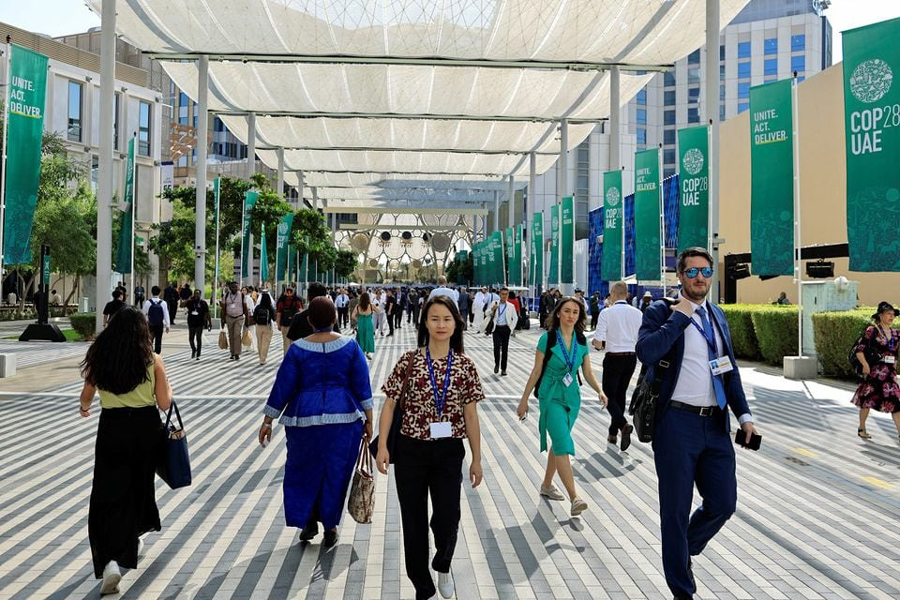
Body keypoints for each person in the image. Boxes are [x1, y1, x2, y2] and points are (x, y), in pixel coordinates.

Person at [636, 247, 759, 600]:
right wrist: (680, 317)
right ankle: (682, 590)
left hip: (715, 425)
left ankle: (680, 550)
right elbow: (646, 352)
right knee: (675, 508)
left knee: (723, 502)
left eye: (705, 271)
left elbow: (729, 371)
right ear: (680, 277)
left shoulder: (717, 316)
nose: (699, 278)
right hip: (675, 423)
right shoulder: (661, 311)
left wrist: (745, 416)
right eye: (691, 273)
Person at [376, 296, 484, 600]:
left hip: (449, 451)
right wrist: (383, 446)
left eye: (447, 319)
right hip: (411, 450)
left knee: (448, 516)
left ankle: (444, 562)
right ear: (425, 322)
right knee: (413, 520)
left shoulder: (464, 366)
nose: (440, 324)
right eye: (435, 318)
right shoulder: (409, 360)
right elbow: (389, 405)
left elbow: (471, 415)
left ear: (455, 324)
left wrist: (477, 458)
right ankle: (422, 585)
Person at [259, 297, 374, 548]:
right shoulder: (351, 347)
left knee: (302, 470)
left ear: (309, 320)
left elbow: (283, 386)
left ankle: (308, 519)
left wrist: (268, 421)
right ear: (335, 319)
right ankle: (330, 525)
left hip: (303, 420)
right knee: (335, 473)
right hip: (344, 419)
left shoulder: (298, 349)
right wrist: (369, 421)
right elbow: (362, 386)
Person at [78, 307, 173, 595]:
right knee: (137, 488)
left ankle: (110, 561)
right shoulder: (152, 359)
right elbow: (165, 403)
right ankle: (128, 545)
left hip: (112, 428)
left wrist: (84, 408)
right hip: (146, 429)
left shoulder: (100, 357)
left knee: (107, 493)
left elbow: (87, 395)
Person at [517, 297, 607, 518]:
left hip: (572, 398)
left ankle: (547, 485)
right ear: (558, 313)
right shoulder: (547, 340)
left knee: (559, 442)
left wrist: (599, 390)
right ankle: (575, 497)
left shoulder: (581, 340)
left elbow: (587, 372)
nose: (571, 315)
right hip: (550, 396)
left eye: (575, 312)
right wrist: (524, 399)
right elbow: (536, 371)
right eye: (566, 311)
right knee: (563, 443)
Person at [592, 281, 643, 450]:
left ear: (613, 293)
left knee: (607, 396)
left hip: (613, 357)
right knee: (620, 395)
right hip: (631, 358)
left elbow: (598, 342)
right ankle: (613, 433)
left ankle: (622, 425)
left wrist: (596, 344)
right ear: (627, 294)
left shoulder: (607, 313)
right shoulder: (638, 313)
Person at [852, 301, 900, 441]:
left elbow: (895, 355)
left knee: (895, 402)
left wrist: (895, 372)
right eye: (888, 314)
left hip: (889, 374)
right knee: (867, 401)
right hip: (874, 372)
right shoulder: (872, 331)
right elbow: (859, 350)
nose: (891, 317)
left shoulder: (896, 333)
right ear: (880, 315)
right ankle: (861, 428)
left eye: (893, 314)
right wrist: (865, 365)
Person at [483, 287, 518, 376]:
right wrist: (492, 309)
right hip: (496, 329)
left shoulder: (511, 306)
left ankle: (503, 368)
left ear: (508, 295)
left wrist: (511, 329)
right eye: (503, 294)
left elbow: (515, 318)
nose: (504, 296)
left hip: (506, 329)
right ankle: (497, 364)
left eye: (506, 294)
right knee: (496, 348)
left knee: (505, 349)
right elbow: (486, 313)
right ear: (500, 294)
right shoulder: (494, 303)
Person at [221, 282, 250, 360]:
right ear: (230, 288)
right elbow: (223, 308)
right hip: (229, 317)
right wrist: (222, 320)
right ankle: (232, 352)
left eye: (236, 287)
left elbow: (245, 308)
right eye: (233, 287)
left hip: (239, 317)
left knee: (237, 334)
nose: (235, 289)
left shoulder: (241, 295)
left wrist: (247, 319)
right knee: (231, 335)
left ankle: (237, 353)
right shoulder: (226, 296)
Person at [183, 288, 212, 360]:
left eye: (198, 294)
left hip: (200, 322)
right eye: (195, 293)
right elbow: (181, 305)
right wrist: (188, 299)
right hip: (191, 322)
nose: (196, 295)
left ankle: (198, 353)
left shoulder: (203, 303)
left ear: (200, 294)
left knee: (198, 338)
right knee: (191, 339)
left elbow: (207, 313)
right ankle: (194, 349)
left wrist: (210, 323)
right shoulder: (190, 302)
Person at [142, 286, 170, 354]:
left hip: (150, 323)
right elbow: (166, 314)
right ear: (160, 293)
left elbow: (143, 314)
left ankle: (149, 352)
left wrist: (143, 323)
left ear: (151, 292)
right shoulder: (163, 303)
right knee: (158, 339)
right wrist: (167, 325)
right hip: (159, 324)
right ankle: (157, 353)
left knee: (149, 339)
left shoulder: (147, 302)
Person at [276, 288, 303, 355]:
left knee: (286, 343)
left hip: (285, 325)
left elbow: (279, 314)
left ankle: (286, 359)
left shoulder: (281, 301)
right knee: (294, 343)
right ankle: (294, 359)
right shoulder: (297, 301)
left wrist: (278, 324)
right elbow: (301, 312)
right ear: (293, 293)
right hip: (295, 326)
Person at [253, 291, 277, 365]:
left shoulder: (258, 307)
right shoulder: (270, 307)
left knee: (259, 343)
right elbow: (274, 318)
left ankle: (260, 357)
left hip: (258, 326)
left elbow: (254, 316)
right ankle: (262, 359)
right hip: (267, 326)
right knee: (265, 343)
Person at [353, 291, 377, 360]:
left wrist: (359, 320)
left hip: (361, 323)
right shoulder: (371, 305)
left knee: (361, 337)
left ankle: (361, 352)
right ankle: (368, 352)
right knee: (369, 336)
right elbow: (379, 311)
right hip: (368, 323)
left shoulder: (358, 306)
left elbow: (353, 316)